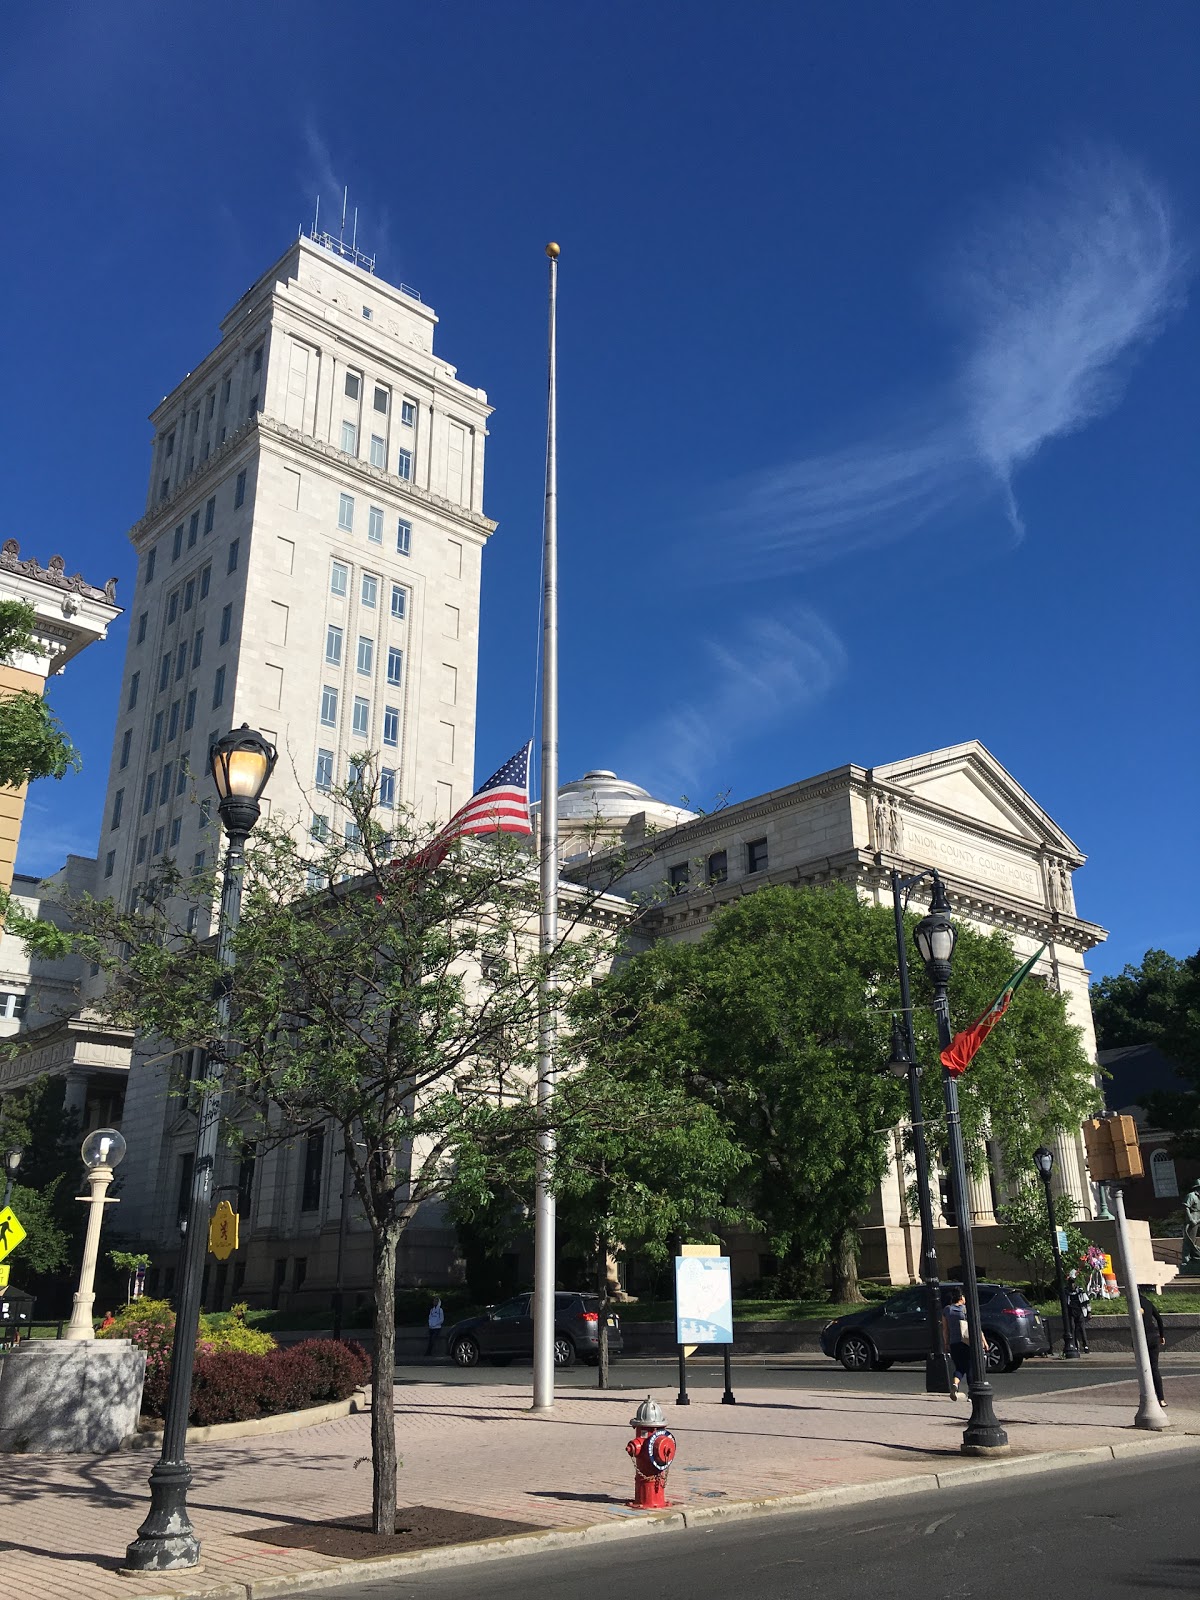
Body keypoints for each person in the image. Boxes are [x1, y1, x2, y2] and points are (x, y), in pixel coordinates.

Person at [943, 1289, 989, 1400]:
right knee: (970, 1368)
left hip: (954, 1343)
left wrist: (946, 1343)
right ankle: (971, 1394)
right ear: (961, 1298)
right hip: (967, 1342)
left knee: (959, 1367)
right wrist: (984, 1342)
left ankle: (955, 1384)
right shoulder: (966, 1310)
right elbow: (976, 1327)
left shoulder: (947, 1310)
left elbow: (945, 1329)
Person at [1137, 1285, 1166, 1407]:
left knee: (1143, 1369)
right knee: (1155, 1368)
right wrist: (1161, 1336)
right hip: (1154, 1337)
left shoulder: (1134, 1304)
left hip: (1142, 1339)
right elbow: (1159, 1319)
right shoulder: (1148, 1302)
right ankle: (1161, 1399)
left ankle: (1148, 1397)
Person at [1066, 1269, 1091, 1354]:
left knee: (1082, 1329)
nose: (1072, 1285)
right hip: (1071, 1313)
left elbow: (1086, 1301)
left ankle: (1086, 1346)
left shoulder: (1080, 1291)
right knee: (1072, 1329)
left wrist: (1089, 1312)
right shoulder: (1066, 1292)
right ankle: (1075, 1346)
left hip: (1080, 1312)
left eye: (1073, 1283)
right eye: (1070, 1283)